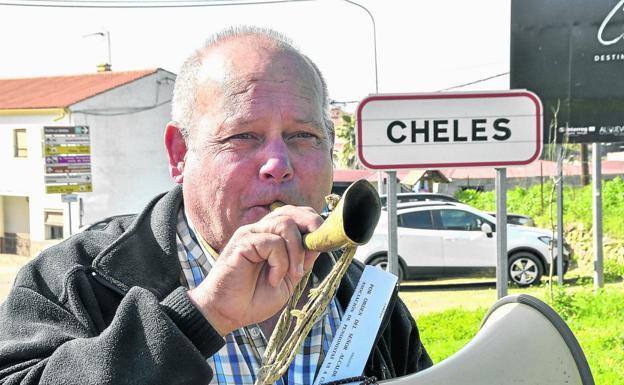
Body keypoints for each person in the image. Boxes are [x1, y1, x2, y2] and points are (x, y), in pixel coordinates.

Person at [0, 27, 432, 384]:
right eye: (243, 136)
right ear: (179, 154)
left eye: (304, 136)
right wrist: (204, 314)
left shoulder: (363, 295)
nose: (278, 165)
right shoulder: (74, 280)